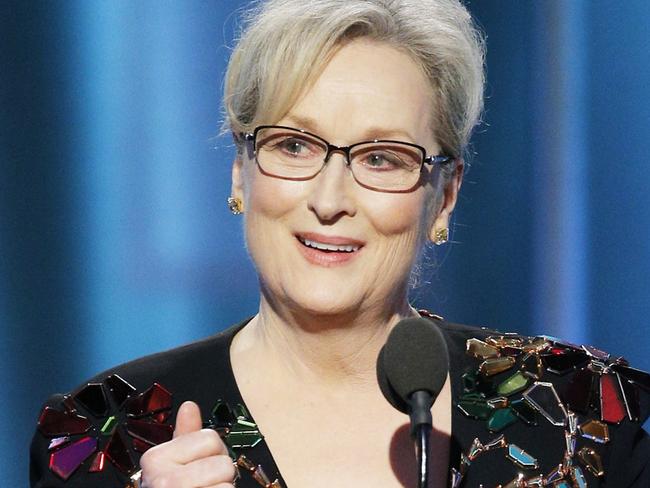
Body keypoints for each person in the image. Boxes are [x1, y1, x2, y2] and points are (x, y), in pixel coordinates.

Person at [30, 0, 650, 487]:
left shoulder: (584, 419)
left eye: (382, 158)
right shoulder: (107, 436)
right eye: (293, 146)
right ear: (240, 171)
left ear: (446, 194)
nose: (330, 199)